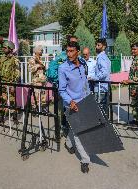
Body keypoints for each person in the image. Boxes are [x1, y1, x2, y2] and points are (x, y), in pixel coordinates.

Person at [58, 41, 91, 173]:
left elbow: (85, 84)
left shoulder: (82, 64)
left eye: (72, 51)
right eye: (67, 51)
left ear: (78, 51)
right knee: (80, 131)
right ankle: (85, 160)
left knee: (75, 128)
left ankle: (68, 143)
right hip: (72, 105)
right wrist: (70, 102)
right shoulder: (63, 68)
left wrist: (90, 98)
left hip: (85, 101)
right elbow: (61, 90)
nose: (69, 54)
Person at [0, 41, 20, 125]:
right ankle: (1, 118)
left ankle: (15, 118)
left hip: (10, 83)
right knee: (2, 101)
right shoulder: (1, 58)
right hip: (2, 83)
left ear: (10, 49)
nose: (3, 49)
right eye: (3, 48)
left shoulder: (14, 60)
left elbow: (18, 73)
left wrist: (14, 84)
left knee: (12, 102)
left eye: (5, 48)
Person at [122, 42, 138, 126]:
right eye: (132, 49)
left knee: (136, 103)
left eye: (135, 49)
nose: (133, 51)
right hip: (133, 85)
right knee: (134, 103)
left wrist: (129, 81)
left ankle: (137, 121)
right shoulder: (135, 59)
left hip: (137, 86)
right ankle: (136, 119)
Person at [91, 38, 111, 116]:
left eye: (98, 45)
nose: (96, 47)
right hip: (104, 87)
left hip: (100, 87)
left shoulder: (101, 57)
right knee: (103, 110)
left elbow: (104, 72)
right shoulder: (105, 57)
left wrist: (94, 78)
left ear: (104, 47)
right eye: (96, 45)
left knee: (99, 110)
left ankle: (101, 127)